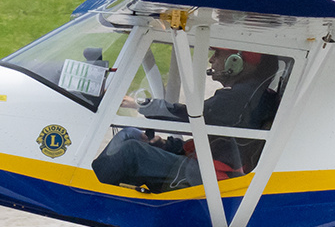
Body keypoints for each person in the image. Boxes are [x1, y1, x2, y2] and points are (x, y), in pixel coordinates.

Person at [92, 49, 281, 191]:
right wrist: (171, 145)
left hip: (204, 176)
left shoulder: (238, 98)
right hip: (205, 166)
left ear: (236, 62)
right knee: (129, 133)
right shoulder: (253, 94)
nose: (211, 59)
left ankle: (84, 189)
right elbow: (220, 140)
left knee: (130, 151)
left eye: (218, 54)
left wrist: (137, 104)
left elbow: (188, 116)